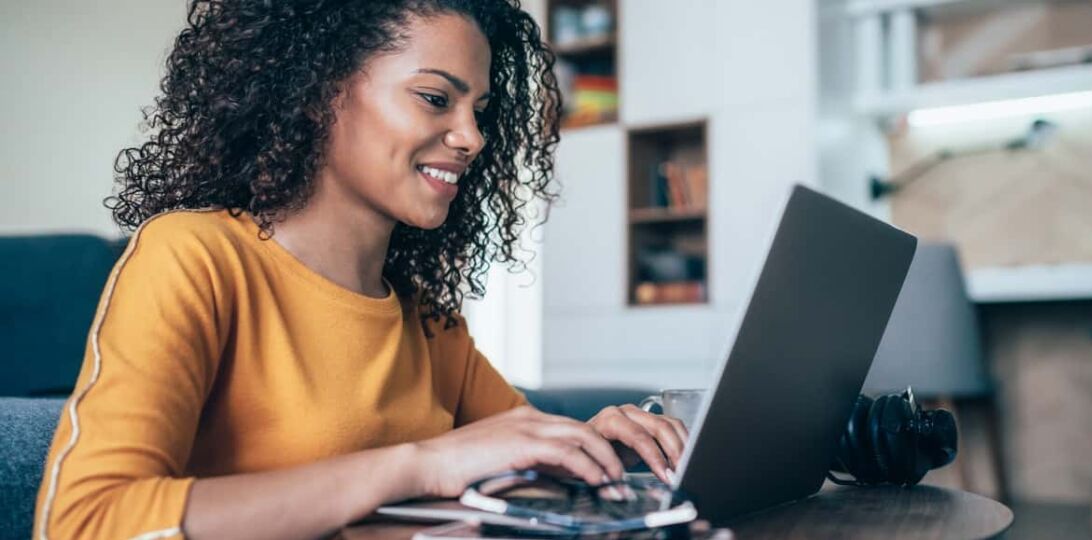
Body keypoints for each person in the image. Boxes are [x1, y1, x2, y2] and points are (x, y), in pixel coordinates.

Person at [33, 1, 687, 538]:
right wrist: (418, 464)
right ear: (319, 92)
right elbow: (85, 522)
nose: (473, 138)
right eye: (436, 98)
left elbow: (515, 460)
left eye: (480, 112)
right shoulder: (194, 258)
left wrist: (591, 449)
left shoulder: (428, 321)